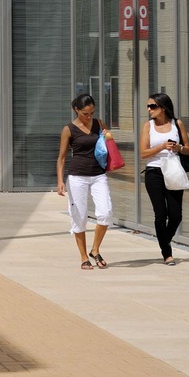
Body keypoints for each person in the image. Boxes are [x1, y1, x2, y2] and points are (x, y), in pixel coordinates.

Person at [56, 93, 111, 270]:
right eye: (85, 113)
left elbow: (107, 144)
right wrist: (60, 180)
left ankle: (95, 249)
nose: (89, 116)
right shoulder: (69, 129)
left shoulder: (98, 123)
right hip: (77, 176)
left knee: (105, 212)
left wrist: (108, 135)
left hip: (98, 175)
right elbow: (62, 157)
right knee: (79, 217)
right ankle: (83, 256)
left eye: (92, 113)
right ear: (76, 110)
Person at [139, 92, 188, 266]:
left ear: (163, 107)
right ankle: (167, 253)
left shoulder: (177, 124)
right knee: (161, 214)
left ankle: (164, 240)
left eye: (152, 106)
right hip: (154, 173)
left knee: (176, 216)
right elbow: (143, 153)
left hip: (173, 170)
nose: (149, 109)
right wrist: (161, 146)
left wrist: (179, 147)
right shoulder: (148, 126)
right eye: (148, 106)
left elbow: (188, 149)